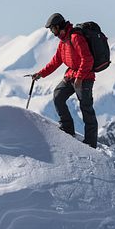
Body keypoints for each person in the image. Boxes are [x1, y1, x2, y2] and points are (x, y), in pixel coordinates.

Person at [31, 13, 98, 148]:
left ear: (57, 26)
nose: (51, 31)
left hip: (84, 77)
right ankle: (67, 127)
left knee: (86, 108)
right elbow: (56, 61)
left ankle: (91, 143)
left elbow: (88, 59)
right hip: (71, 76)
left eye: (52, 28)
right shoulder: (63, 42)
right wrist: (40, 74)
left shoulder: (75, 37)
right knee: (58, 95)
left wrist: (79, 77)